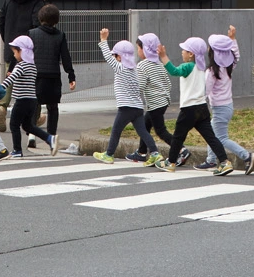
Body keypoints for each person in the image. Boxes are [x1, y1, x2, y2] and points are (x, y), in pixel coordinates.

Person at [156, 37, 240, 175]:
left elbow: (174, 71)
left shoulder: (187, 66)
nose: (182, 52)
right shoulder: (202, 67)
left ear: (191, 54)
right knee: (211, 137)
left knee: (178, 137)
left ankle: (170, 162)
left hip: (189, 109)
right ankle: (225, 162)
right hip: (202, 108)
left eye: (184, 50)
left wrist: (163, 56)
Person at [93, 31, 160, 164]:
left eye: (115, 55)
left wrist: (103, 41)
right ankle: (155, 153)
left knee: (116, 131)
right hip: (138, 108)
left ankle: (109, 154)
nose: (114, 57)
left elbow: (108, 58)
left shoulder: (120, 68)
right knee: (143, 132)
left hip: (126, 108)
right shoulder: (134, 70)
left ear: (119, 57)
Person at [198, 30, 254, 171]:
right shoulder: (228, 67)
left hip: (219, 108)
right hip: (227, 106)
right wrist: (233, 39)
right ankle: (211, 160)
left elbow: (205, 90)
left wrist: (197, 101)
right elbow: (236, 55)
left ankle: (246, 156)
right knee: (212, 134)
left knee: (221, 138)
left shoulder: (212, 71)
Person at [28, 4, 78, 153]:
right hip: (53, 76)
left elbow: (26, 54)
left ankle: (32, 136)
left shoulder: (32, 34)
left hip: (36, 75)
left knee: (34, 106)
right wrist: (71, 75)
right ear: (56, 20)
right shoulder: (60, 35)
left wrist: (14, 70)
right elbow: (65, 57)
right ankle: (51, 137)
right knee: (53, 107)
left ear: (40, 18)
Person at [3, 35, 54, 155]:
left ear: (22, 51)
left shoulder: (20, 66)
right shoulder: (32, 66)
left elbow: (10, 79)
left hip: (21, 100)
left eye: (15, 52)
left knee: (14, 124)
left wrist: (0, 90)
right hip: (32, 101)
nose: (14, 55)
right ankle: (49, 138)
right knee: (28, 126)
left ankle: (17, 150)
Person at [135, 33, 174, 161]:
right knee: (145, 125)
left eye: (138, 48)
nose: (137, 51)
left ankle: (181, 149)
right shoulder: (160, 64)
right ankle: (141, 152)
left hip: (154, 104)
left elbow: (140, 87)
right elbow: (168, 84)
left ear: (145, 49)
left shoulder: (142, 66)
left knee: (160, 131)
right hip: (163, 102)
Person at [0, 0, 46, 69]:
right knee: (30, 79)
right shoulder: (37, 1)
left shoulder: (9, 1)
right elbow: (38, 26)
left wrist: (8, 40)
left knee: (11, 78)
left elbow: (1, 22)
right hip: (31, 55)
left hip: (11, 52)